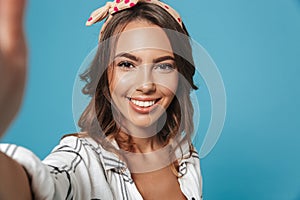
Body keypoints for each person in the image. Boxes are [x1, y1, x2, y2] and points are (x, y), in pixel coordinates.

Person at [0, 0, 203, 199]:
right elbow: (36, 186)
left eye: (164, 66)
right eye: (127, 64)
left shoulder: (184, 155)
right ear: (105, 74)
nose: (146, 85)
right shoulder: (82, 158)